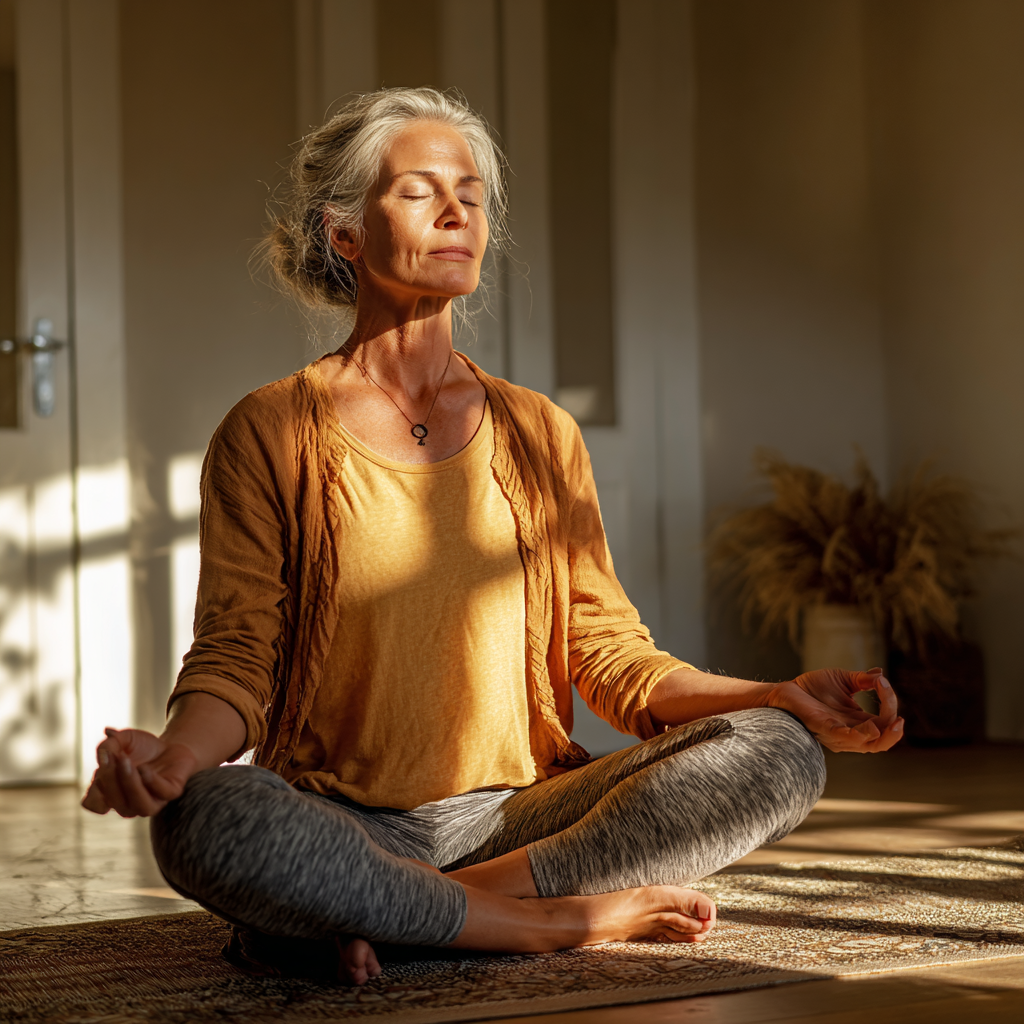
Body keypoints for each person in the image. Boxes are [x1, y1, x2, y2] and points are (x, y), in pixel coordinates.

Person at [82, 88, 903, 985]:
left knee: (780, 750)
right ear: (344, 233)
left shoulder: (542, 433)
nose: (456, 214)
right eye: (419, 192)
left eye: (471, 196)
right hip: (343, 822)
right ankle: (547, 921)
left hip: (520, 821)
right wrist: (174, 760)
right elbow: (237, 655)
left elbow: (610, 654)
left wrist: (779, 692)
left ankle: (408, 915)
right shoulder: (269, 431)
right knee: (208, 820)